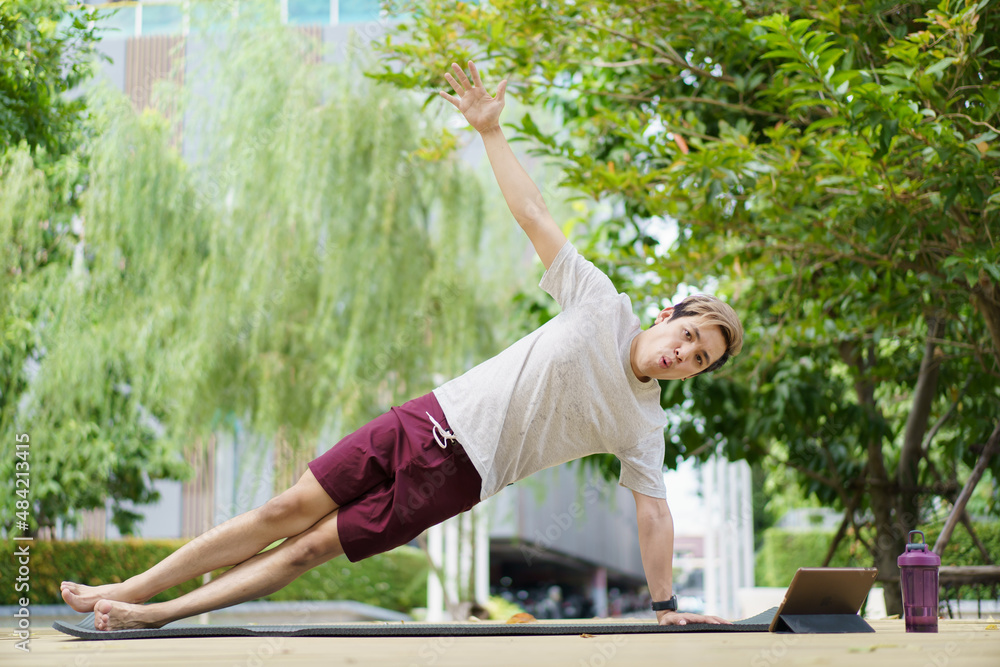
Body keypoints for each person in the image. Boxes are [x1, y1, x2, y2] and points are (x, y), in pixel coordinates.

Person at [60, 61, 742, 630]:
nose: (684, 354)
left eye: (700, 359)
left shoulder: (643, 422)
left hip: (460, 476)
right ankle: (129, 588)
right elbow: (534, 214)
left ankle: (157, 614)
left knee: (307, 550)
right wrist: (490, 130)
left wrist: (665, 607)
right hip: (428, 417)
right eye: (688, 335)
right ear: (667, 315)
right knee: (281, 511)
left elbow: (654, 511)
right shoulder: (600, 302)